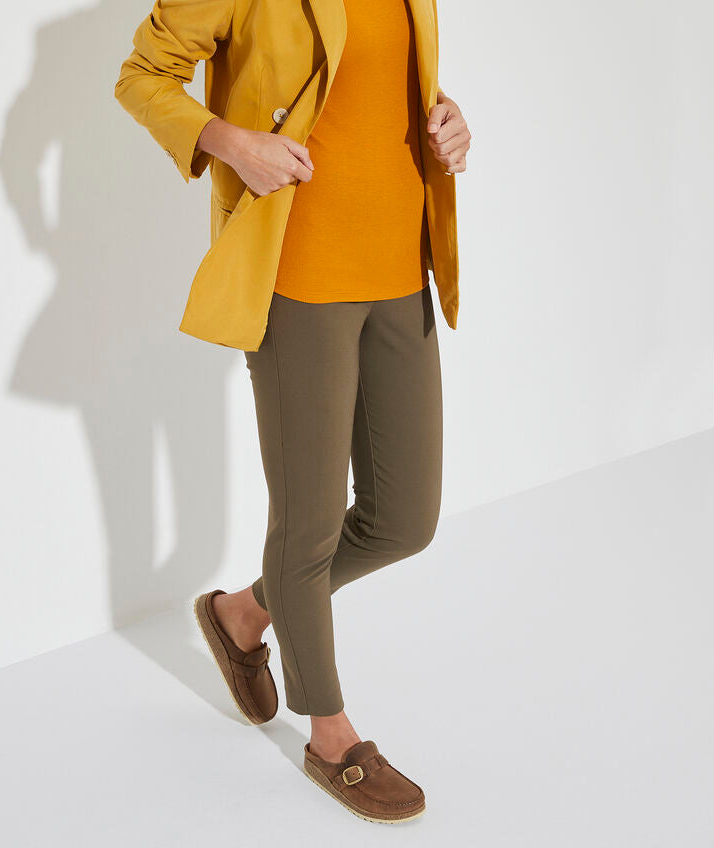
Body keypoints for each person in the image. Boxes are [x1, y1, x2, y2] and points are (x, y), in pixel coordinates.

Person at [115, 0, 471, 823]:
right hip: (298, 270)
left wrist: (446, 118)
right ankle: (331, 736)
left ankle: (242, 614)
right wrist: (231, 142)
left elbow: (372, 82)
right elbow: (142, 76)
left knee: (404, 520)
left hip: (399, 265)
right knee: (306, 525)